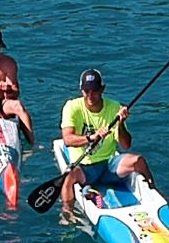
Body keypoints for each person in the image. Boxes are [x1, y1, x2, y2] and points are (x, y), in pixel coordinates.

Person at [57, 67, 154, 215]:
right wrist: (92, 137)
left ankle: (153, 194)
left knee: (138, 160)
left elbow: (126, 145)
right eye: (86, 91)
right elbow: (68, 139)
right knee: (68, 176)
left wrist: (121, 124)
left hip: (108, 164)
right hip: (83, 167)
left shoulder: (114, 107)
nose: (90, 95)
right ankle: (67, 213)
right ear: (81, 90)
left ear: (102, 89)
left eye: (95, 91)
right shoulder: (72, 107)